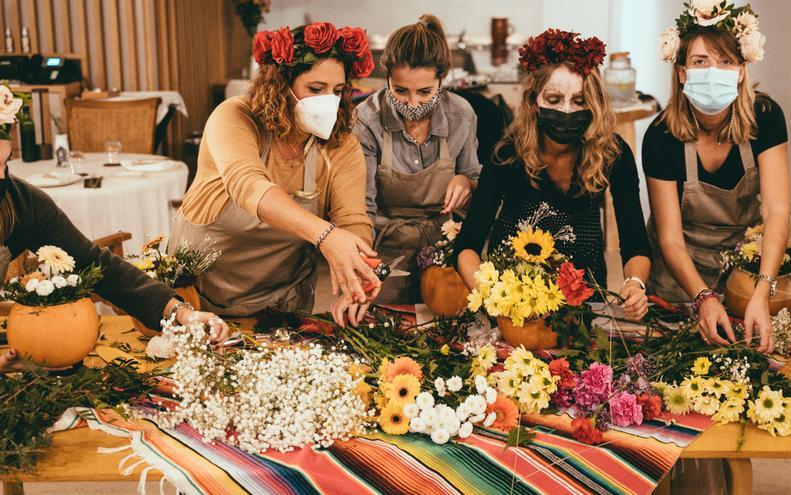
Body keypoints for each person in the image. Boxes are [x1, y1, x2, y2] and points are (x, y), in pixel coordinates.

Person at [170, 22, 381, 320]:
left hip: (281, 303)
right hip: (200, 297)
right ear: (281, 83)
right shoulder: (234, 117)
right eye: (315, 89)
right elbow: (250, 186)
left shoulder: (341, 144)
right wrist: (326, 235)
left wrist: (357, 271)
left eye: (337, 90)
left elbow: (352, 220)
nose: (328, 102)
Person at [452, 29, 651, 321]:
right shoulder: (508, 154)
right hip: (512, 301)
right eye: (555, 99)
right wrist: (490, 296)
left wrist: (635, 284)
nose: (567, 110)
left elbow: (635, 243)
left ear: (594, 103)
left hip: (584, 300)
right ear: (534, 101)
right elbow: (468, 245)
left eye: (580, 101)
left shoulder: (613, 154)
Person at [0, 141, 229, 373]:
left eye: (5, 163)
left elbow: (96, 266)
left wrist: (180, 313)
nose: (1, 177)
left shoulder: (21, 204)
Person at [644, 1, 788, 353]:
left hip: (744, 270)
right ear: (681, 72)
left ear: (741, 70)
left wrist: (761, 290)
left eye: (725, 61)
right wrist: (703, 297)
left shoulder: (765, 118)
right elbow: (671, 239)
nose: (713, 71)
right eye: (700, 62)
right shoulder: (661, 137)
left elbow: (777, 212)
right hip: (680, 277)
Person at [353, 14, 481, 305]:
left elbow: (477, 189)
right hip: (384, 249)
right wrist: (363, 267)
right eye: (400, 91)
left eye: (425, 92)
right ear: (386, 79)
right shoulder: (367, 119)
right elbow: (362, 206)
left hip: (442, 250)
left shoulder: (461, 115)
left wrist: (467, 184)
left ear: (441, 80)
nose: (412, 103)